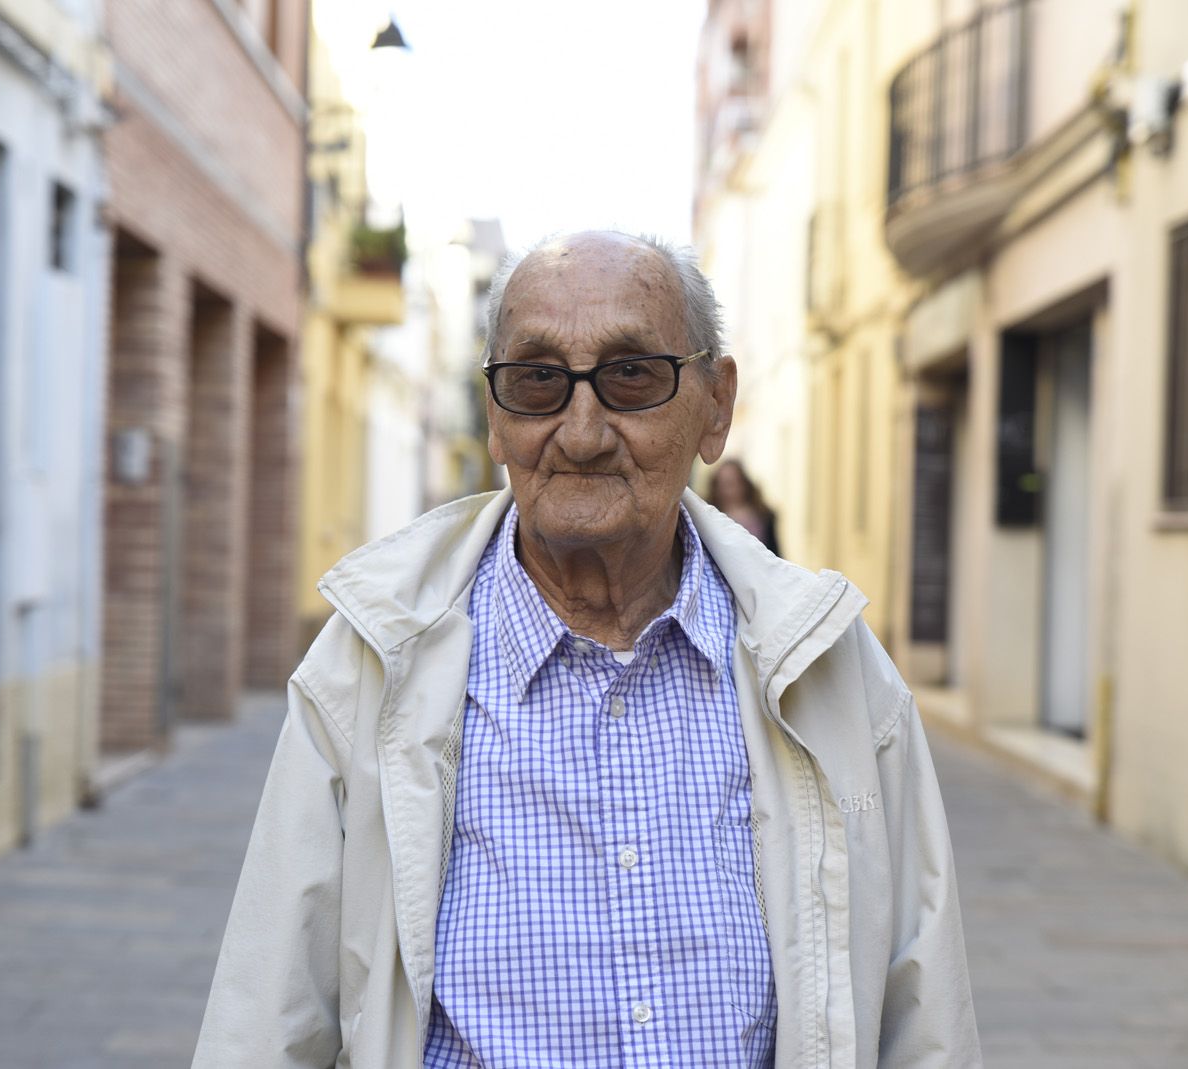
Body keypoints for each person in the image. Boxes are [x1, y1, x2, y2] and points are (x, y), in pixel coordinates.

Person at [193, 230, 981, 1068]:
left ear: (715, 406)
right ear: (495, 417)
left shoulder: (833, 673)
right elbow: (267, 1019)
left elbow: (922, 1016)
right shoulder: (369, 670)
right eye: (536, 380)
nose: (580, 431)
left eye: (631, 376)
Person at [708, 457, 780, 555]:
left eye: (731, 484)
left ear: (743, 484)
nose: (725, 490)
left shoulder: (763, 516)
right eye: (721, 484)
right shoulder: (709, 517)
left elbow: (775, 552)